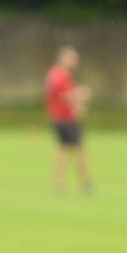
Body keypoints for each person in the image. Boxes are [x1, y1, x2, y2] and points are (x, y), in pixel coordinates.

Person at [45, 46, 92, 194]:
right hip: (64, 118)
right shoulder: (58, 75)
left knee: (65, 149)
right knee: (76, 149)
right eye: (71, 58)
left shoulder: (59, 75)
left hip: (63, 117)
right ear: (62, 58)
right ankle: (82, 182)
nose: (74, 62)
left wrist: (77, 105)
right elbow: (63, 96)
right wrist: (80, 95)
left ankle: (62, 183)